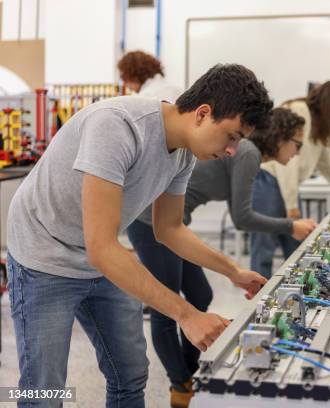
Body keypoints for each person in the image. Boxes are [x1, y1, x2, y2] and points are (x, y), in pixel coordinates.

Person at [6, 64, 272, 408]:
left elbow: (169, 228)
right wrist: (187, 314)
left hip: (98, 259)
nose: (233, 150)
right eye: (232, 136)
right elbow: (101, 249)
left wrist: (232, 271)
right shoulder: (117, 126)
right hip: (42, 256)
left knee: (130, 375)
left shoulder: (183, 155)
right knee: (44, 389)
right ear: (203, 114)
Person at [127, 107, 316, 406]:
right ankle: (181, 385)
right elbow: (242, 218)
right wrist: (290, 226)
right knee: (167, 308)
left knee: (201, 294)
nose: (298, 152)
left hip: (175, 223)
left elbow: (241, 213)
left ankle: (189, 371)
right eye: (297, 143)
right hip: (149, 222)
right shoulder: (249, 153)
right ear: (280, 138)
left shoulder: (250, 156)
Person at [250, 80, 330, 278]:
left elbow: (325, 161)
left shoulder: (319, 124)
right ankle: (259, 299)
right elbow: (285, 162)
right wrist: (291, 204)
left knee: (298, 245)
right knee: (264, 247)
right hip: (268, 180)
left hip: (287, 188)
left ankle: (298, 295)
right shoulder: (299, 110)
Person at [118, 50, 182, 102]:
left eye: (125, 79)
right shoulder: (177, 90)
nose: (125, 84)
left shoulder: (142, 98)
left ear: (134, 75)